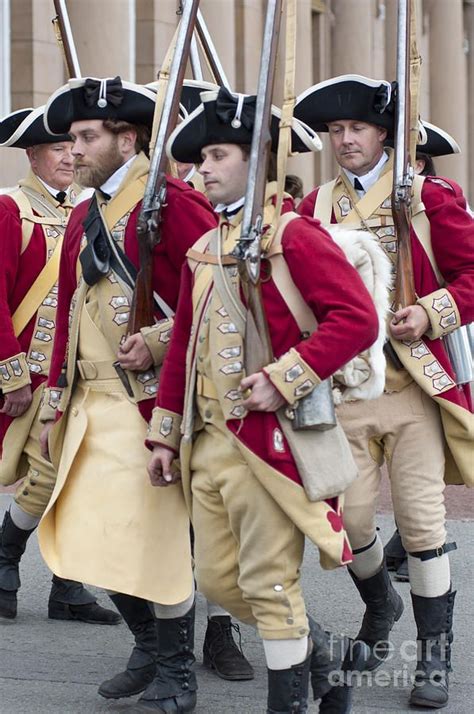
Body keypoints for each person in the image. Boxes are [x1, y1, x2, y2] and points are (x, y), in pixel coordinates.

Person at [146, 87, 380, 713]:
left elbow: (356, 320)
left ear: (257, 160)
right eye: (201, 160)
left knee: (271, 588)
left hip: (269, 444)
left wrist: (287, 375)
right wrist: (166, 433)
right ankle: (322, 657)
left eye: (218, 155)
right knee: (220, 579)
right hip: (208, 444)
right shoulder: (207, 247)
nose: (203, 170)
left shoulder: (293, 236)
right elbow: (183, 351)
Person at [37, 76, 217, 711]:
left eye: (88, 137)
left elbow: (214, 290)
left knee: (155, 541)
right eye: (74, 138)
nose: (75, 150)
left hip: (146, 402)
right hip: (90, 400)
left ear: (128, 139)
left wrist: (165, 337)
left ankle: (175, 670)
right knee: (85, 538)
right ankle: (148, 644)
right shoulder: (85, 212)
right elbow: (66, 310)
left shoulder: (174, 203)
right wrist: (54, 397)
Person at [295, 74, 474, 708]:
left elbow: (472, 272)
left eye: (358, 129)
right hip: (344, 392)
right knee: (352, 523)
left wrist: (431, 312)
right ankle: (380, 604)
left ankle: (434, 659)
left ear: (384, 137)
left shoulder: (429, 198)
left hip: (415, 389)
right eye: (336, 131)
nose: (345, 140)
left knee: (424, 524)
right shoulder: (310, 210)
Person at [0, 105, 120, 626]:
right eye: (57, 148)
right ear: (32, 155)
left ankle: (62, 585)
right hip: (26, 373)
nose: (71, 156)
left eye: (75, 146)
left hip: (71, 372)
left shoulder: (89, 210)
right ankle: (9, 563)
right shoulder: (10, 209)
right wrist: (12, 375)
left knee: (69, 472)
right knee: (47, 473)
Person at [384, 119, 463, 583]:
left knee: (438, 439)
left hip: (436, 333)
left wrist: (431, 312)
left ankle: (410, 535)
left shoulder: (437, 195)